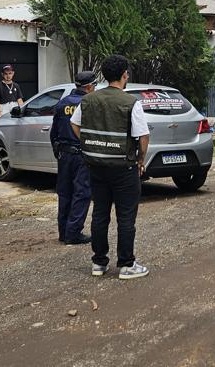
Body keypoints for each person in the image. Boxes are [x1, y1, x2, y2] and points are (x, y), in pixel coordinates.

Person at [70, 55, 151, 280]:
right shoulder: (130, 102)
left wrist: (89, 144)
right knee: (126, 217)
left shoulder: (88, 99)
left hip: (96, 166)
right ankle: (126, 264)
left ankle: (99, 263)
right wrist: (140, 160)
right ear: (124, 74)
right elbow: (143, 135)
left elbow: (74, 124)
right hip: (123, 168)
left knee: (99, 214)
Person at [50, 70, 97, 245]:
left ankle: (63, 232)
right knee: (82, 193)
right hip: (81, 154)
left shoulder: (62, 103)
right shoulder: (89, 104)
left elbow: (54, 132)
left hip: (64, 154)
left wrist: (58, 151)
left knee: (65, 193)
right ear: (89, 86)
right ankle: (73, 233)